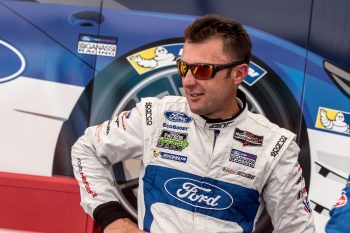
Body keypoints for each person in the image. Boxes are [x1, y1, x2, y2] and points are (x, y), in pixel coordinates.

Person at [71, 14, 315, 233]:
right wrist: (111, 217)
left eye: (202, 70)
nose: (188, 81)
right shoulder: (155, 116)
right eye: (184, 67)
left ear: (238, 74)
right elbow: (86, 148)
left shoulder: (274, 145)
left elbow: (297, 229)